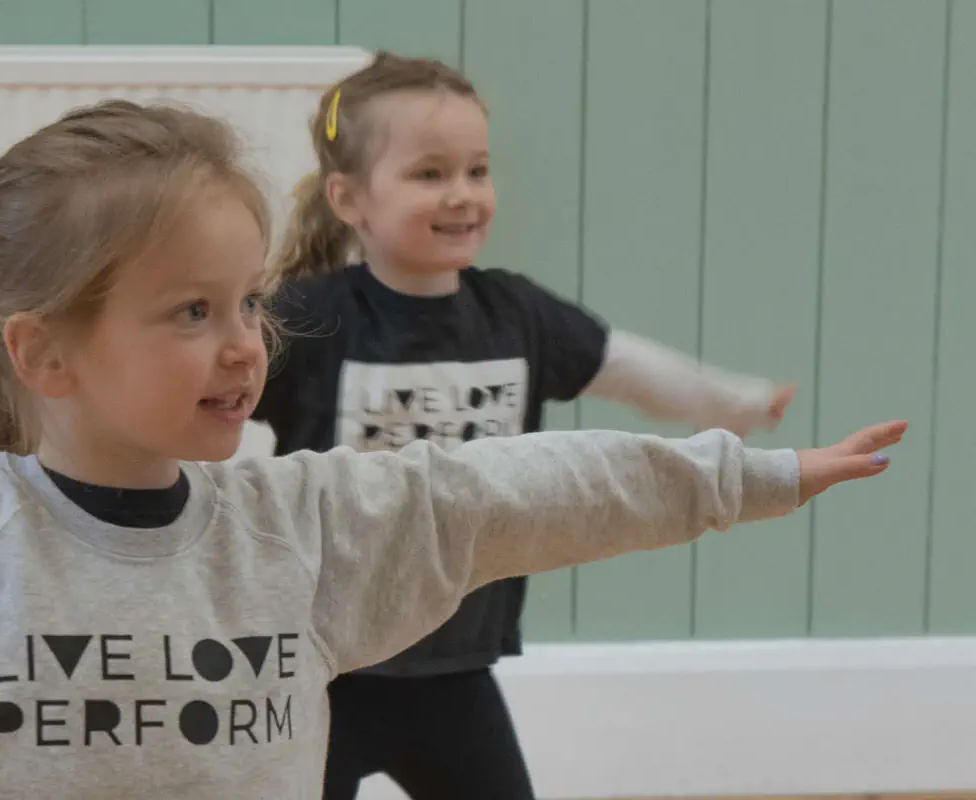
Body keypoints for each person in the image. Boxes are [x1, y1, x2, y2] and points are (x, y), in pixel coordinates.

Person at [0, 99, 900, 799]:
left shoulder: (295, 532)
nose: (242, 348)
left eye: (247, 308)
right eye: (189, 314)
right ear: (47, 354)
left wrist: (744, 474)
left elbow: (511, 491)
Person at [253, 51, 800, 800]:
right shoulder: (311, 319)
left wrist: (728, 403)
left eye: (477, 170)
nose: (463, 194)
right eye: (429, 173)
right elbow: (198, 395)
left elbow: (624, 366)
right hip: (324, 670)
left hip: (457, 667)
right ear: (349, 199)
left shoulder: (515, 315)